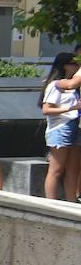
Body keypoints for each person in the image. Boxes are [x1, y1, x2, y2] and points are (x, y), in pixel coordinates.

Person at [41, 53, 81, 200]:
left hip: (75, 127)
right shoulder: (54, 85)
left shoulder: (72, 85)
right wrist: (71, 108)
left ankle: (71, 202)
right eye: (74, 63)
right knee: (56, 169)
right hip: (60, 128)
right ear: (65, 65)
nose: (77, 67)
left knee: (73, 169)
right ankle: (51, 204)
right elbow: (46, 110)